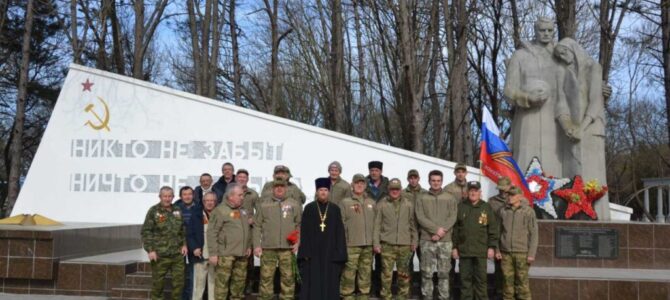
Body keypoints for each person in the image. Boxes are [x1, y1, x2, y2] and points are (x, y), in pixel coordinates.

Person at [554, 37, 611, 220]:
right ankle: (576, 216)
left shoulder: (593, 67)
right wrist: (567, 126)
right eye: (558, 55)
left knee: (593, 176)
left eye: (563, 52)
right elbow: (560, 102)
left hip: (591, 129)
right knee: (574, 175)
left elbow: (596, 101)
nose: (562, 57)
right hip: (573, 133)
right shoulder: (563, 73)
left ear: (573, 49)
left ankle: (597, 217)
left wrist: (582, 127)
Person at [503, 17, 563, 176]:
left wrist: (600, 92)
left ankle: (556, 198)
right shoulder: (520, 56)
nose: (546, 34)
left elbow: (576, 89)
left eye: (550, 30)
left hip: (554, 120)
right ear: (535, 31)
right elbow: (509, 91)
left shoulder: (561, 58)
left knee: (554, 167)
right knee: (525, 162)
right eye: (542, 30)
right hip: (527, 118)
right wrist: (527, 98)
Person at [298, 178, 348, 300]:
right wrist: (305, 252)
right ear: (316, 192)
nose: (323, 192)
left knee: (330, 282)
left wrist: (340, 253)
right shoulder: (309, 208)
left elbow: (340, 232)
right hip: (313, 254)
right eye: (321, 190)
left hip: (330, 254)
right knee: (312, 281)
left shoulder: (335, 209)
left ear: (329, 192)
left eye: (326, 190)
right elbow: (304, 232)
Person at [254, 178, 302, 300]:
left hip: (287, 248)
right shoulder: (263, 205)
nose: (279, 189)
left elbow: (299, 224)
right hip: (268, 247)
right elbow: (257, 225)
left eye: (282, 186)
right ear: (272, 189)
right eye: (277, 187)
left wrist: (298, 242)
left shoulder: (294, 204)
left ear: (286, 188)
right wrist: (256, 245)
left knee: (288, 278)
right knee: (266, 278)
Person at [415, 170, 458, 300]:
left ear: (442, 181)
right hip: (427, 240)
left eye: (438, 181)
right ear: (429, 181)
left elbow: (453, 216)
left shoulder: (449, 198)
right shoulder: (422, 197)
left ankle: (443, 296)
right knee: (426, 272)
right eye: (433, 180)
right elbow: (420, 217)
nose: (436, 183)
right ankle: (427, 296)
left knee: (444, 273)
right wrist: (435, 231)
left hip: (445, 241)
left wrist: (440, 232)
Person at [452, 181, 499, 300]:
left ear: (480, 192)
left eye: (475, 190)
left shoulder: (486, 207)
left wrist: (491, 247)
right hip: (464, 251)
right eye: (471, 190)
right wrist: (454, 247)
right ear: (467, 192)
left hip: (481, 251)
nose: (473, 193)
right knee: (465, 280)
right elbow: (455, 229)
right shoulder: (461, 206)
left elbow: (493, 229)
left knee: (481, 280)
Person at [141, 186, 188, 300]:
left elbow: (182, 229)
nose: (167, 199)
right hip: (159, 255)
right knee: (158, 285)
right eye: (165, 196)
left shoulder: (177, 210)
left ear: (173, 197)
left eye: (169, 196)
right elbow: (146, 231)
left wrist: (184, 244)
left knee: (179, 284)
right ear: (160, 197)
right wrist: (150, 250)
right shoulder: (153, 211)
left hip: (177, 255)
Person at [373, 178, 417, 300]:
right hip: (387, 245)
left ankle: (402, 296)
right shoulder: (382, 204)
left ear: (401, 190)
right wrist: (376, 243)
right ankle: (385, 296)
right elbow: (377, 225)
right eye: (392, 189)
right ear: (388, 190)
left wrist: (414, 241)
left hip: (404, 245)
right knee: (386, 275)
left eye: (397, 189)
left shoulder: (408, 204)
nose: (395, 191)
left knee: (403, 275)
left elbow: (413, 224)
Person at [207, 184, 252, 300]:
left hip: (242, 255)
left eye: (243, 195)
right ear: (231, 196)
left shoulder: (243, 210)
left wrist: (248, 246)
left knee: (239, 286)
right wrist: (212, 253)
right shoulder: (220, 211)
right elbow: (212, 233)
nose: (243, 197)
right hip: (225, 255)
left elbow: (247, 230)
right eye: (240, 195)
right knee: (222, 286)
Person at [496, 186, 538, 300]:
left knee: (522, 284)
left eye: (513, 195)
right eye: (509, 195)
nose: (509, 197)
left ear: (520, 196)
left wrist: (531, 253)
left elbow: (534, 234)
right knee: (507, 284)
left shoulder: (528, 212)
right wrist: (497, 249)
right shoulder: (503, 210)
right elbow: (497, 231)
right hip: (506, 253)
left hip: (522, 253)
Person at [339, 174, 376, 300]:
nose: (359, 185)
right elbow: (341, 224)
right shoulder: (345, 202)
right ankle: (347, 295)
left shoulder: (371, 202)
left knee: (365, 272)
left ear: (365, 185)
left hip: (368, 245)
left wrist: (375, 242)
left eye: (362, 183)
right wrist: (343, 241)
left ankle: (364, 295)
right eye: (357, 183)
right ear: (352, 184)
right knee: (349, 273)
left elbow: (376, 224)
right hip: (351, 244)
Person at [189, 192, 218, 300]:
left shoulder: (219, 214)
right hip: (200, 255)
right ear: (203, 202)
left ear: (215, 202)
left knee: (213, 285)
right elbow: (189, 234)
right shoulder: (196, 214)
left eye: (212, 201)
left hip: (215, 256)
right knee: (198, 285)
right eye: (207, 201)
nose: (209, 203)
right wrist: (194, 247)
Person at [487, 176, 512, 299]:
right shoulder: (492, 201)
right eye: (500, 189)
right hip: (497, 236)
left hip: (511, 238)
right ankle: (498, 291)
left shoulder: (516, 200)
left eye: (505, 189)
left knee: (511, 270)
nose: (502, 192)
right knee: (498, 268)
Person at [236, 168, 260, 294]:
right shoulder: (230, 193)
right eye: (239, 177)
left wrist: (253, 218)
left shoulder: (253, 194)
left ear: (247, 179)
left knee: (248, 260)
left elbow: (260, 211)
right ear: (236, 178)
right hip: (233, 230)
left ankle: (248, 284)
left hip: (248, 231)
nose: (242, 179)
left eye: (244, 177)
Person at [365, 160, 387, 296]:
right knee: (366, 262)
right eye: (372, 170)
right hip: (367, 224)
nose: (374, 172)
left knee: (381, 261)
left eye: (376, 170)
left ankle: (378, 288)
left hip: (383, 226)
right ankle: (366, 289)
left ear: (381, 171)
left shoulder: (387, 185)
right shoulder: (362, 183)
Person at [174, 186, 201, 300]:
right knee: (180, 276)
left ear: (193, 195)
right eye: (184, 194)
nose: (187, 196)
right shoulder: (175, 208)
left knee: (192, 275)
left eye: (189, 194)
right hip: (179, 245)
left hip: (195, 245)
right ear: (181, 196)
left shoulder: (200, 207)